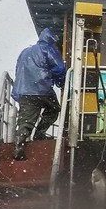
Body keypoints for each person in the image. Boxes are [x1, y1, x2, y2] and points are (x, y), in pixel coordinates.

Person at [11, 28, 67, 160]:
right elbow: (59, 68)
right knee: (53, 109)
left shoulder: (25, 51)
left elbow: (18, 69)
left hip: (24, 90)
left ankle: (18, 146)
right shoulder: (48, 49)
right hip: (42, 88)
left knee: (26, 120)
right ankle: (39, 134)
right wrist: (62, 82)